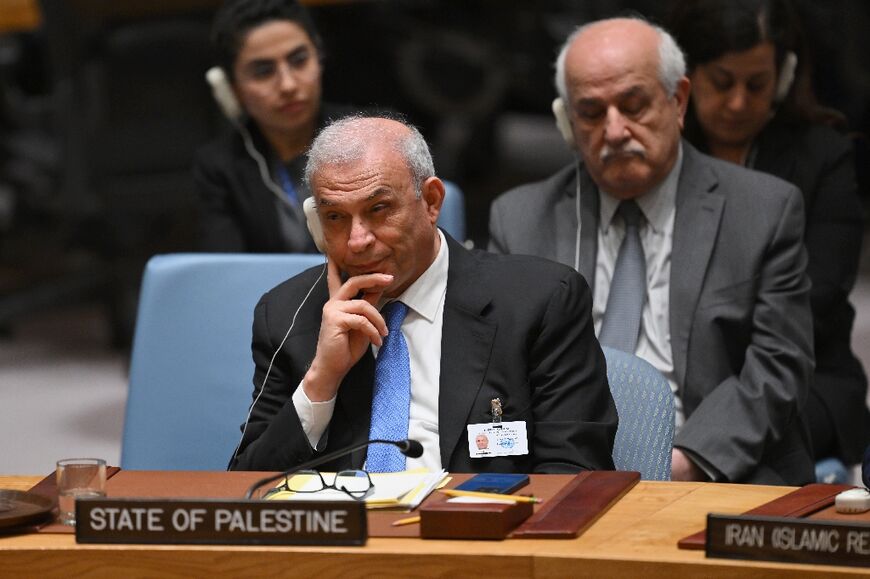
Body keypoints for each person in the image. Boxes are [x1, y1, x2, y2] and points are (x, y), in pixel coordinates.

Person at [488, 18, 815, 484]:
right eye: (592, 112)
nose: (616, 130)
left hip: (709, 467)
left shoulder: (763, 210)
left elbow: (778, 365)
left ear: (678, 101)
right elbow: (501, 374)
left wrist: (680, 463)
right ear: (568, 123)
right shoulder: (520, 218)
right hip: (561, 472)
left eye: (634, 105)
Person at [230, 115, 617, 473]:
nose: (357, 240)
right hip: (343, 539)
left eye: (379, 209)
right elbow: (246, 486)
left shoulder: (539, 301)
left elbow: (574, 475)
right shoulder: (289, 314)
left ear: (431, 201)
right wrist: (321, 380)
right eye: (335, 217)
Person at [667, 0, 869, 469]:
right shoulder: (663, 152)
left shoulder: (824, 157)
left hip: (802, 374)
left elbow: (815, 300)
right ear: (686, 78)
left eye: (755, 84)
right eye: (721, 82)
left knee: (763, 443)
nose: (738, 102)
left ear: (783, 77)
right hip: (678, 368)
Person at [193, 0, 350, 252]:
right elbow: (227, 271)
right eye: (263, 71)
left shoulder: (369, 136)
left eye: (299, 60)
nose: (288, 85)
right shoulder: (220, 167)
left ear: (319, 58)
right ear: (231, 88)